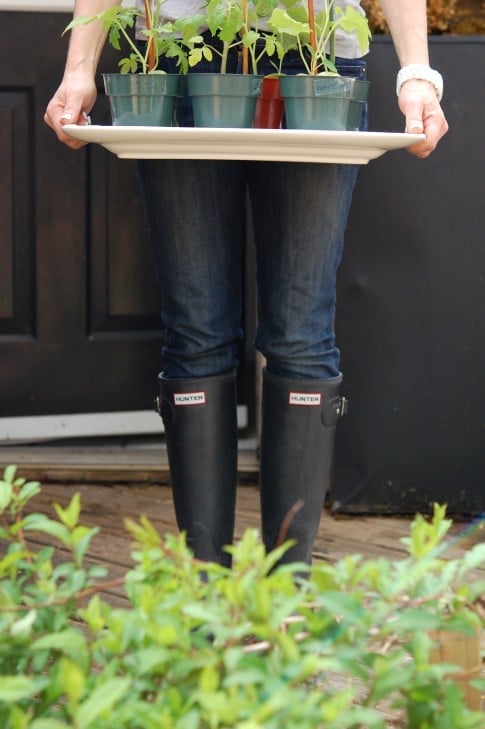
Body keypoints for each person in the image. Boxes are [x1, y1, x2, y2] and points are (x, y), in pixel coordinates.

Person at [45, 0, 448, 569]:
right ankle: (209, 587)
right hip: (177, 52)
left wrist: (416, 74)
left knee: (301, 331)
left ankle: (286, 592)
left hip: (319, 56)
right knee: (196, 330)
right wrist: (79, 68)